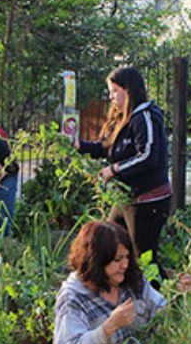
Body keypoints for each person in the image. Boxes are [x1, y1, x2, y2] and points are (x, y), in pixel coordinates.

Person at [70, 66, 172, 275]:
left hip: (148, 201)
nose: (111, 97)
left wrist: (114, 170)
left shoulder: (144, 117)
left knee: (144, 258)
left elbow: (148, 156)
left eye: (115, 91)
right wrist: (77, 145)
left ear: (129, 90)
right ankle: (115, 295)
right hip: (127, 198)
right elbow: (106, 148)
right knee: (107, 243)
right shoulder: (124, 119)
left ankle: (164, 300)